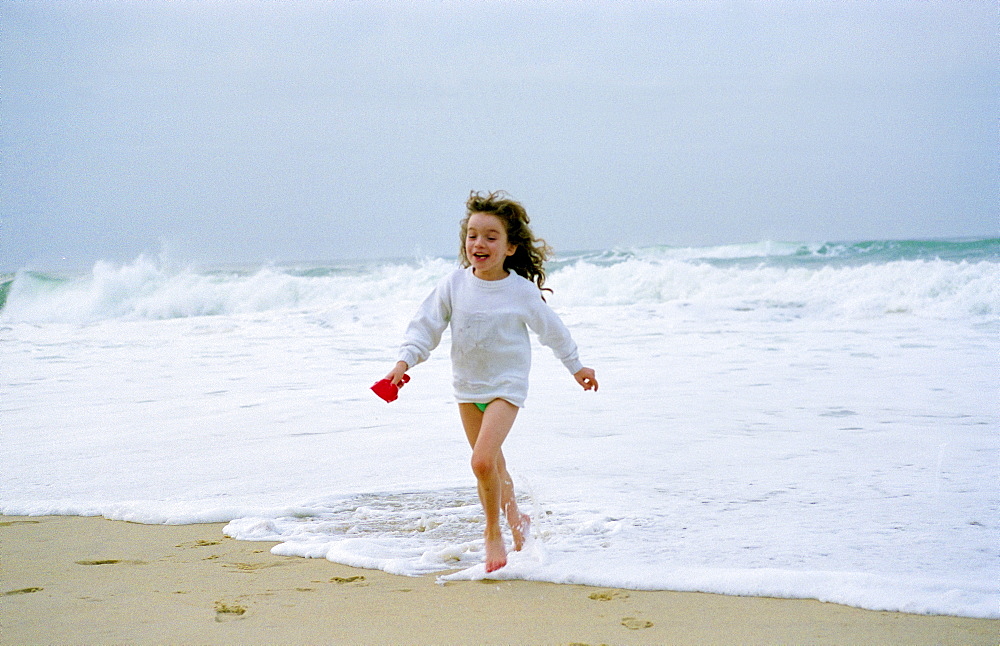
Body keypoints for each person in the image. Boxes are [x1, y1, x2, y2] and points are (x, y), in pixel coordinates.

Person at [384, 190, 598, 572]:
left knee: (481, 462)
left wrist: (577, 366)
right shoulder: (453, 284)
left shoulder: (520, 291)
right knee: (495, 467)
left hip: (506, 387)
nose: (478, 243)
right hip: (467, 387)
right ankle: (519, 521)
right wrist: (404, 363)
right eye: (472, 235)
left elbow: (554, 331)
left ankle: (492, 532)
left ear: (511, 247)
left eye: (490, 236)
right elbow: (425, 327)